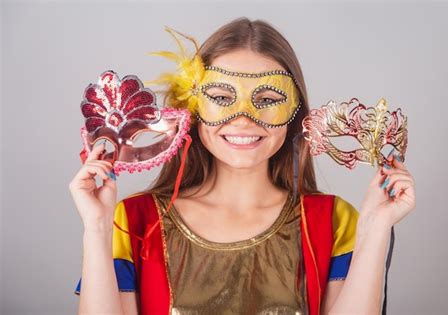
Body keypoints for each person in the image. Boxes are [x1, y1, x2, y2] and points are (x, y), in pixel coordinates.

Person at [69, 17, 416, 315]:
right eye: (220, 97)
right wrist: (97, 228)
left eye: (268, 100)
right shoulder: (133, 222)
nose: (245, 119)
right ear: (192, 108)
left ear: (295, 113)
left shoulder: (334, 223)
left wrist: (375, 227)